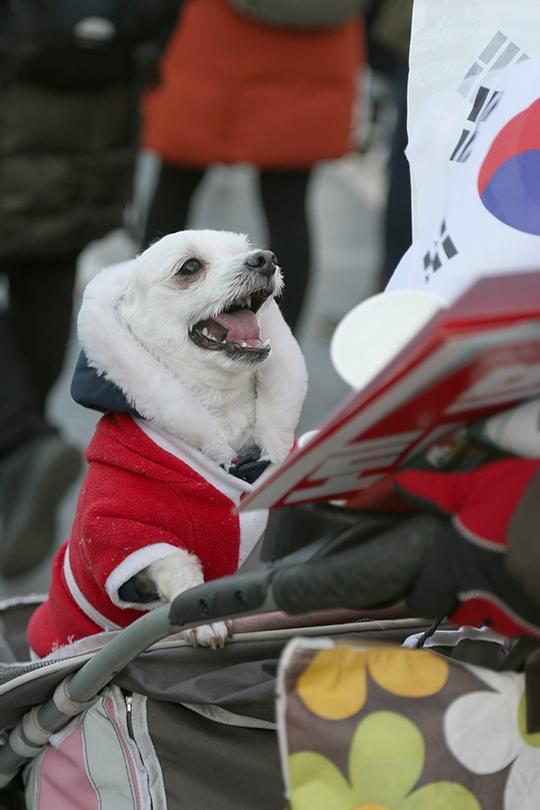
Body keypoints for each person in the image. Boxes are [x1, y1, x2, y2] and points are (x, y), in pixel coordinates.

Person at [0, 1, 178, 578]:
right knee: (46, 269)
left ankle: (18, 440)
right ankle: (18, 460)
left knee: (43, 268)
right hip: (100, 106)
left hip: (15, 91)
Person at [140, 0, 366, 332]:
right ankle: (282, 343)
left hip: (215, 40)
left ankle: (148, 324)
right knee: (288, 205)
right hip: (314, 47)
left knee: (175, 186)